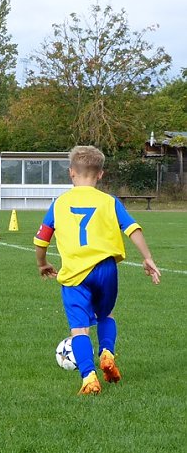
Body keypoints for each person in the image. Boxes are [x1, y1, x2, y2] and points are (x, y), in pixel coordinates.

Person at [33, 145, 161, 396]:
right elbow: (133, 228)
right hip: (106, 269)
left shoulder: (59, 203)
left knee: (79, 329)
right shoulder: (109, 201)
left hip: (74, 273)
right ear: (100, 174)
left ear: (71, 172)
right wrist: (147, 258)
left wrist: (42, 263)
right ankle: (107, 353)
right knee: (106, 315)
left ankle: (89, 377)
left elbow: (41, 240)